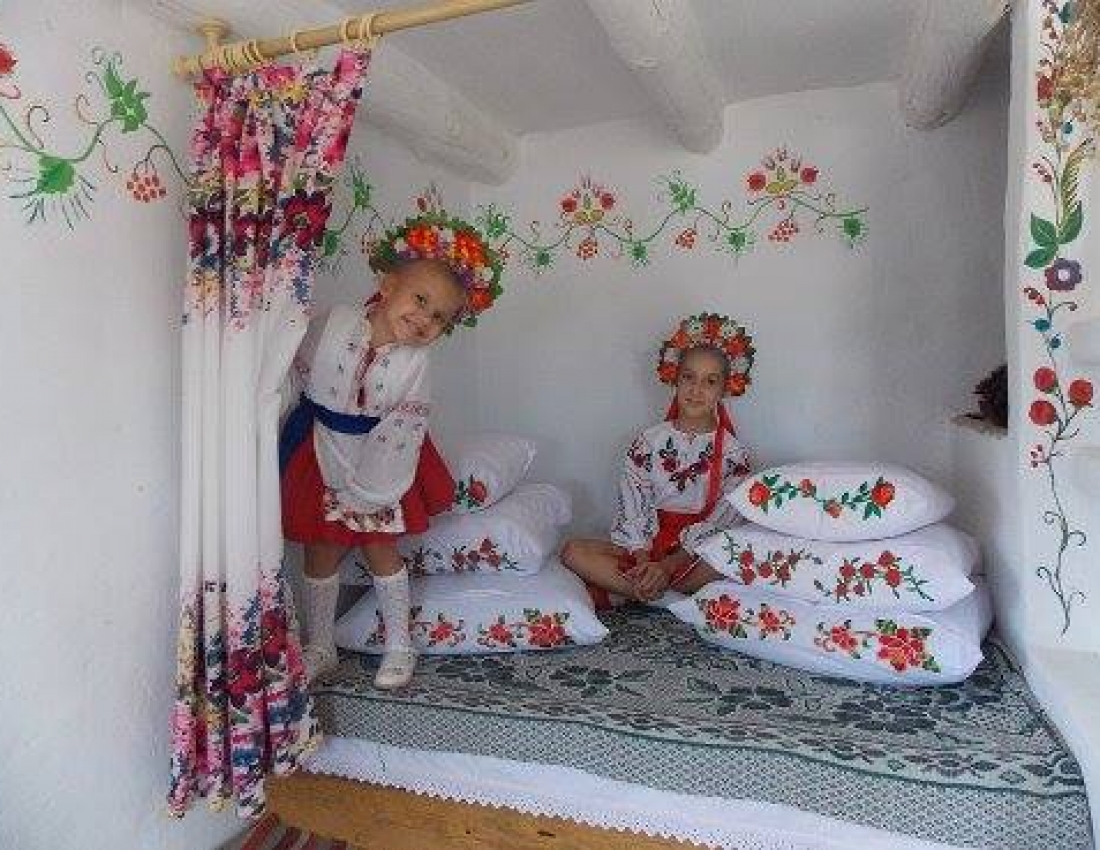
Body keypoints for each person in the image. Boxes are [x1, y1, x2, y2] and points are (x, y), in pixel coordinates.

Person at [280, 213, 503, 688]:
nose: (425, 319)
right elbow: (294, 366)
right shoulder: (335, 323)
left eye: (439, 317)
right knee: (320, 549)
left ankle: (400, 644)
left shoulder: (415, 364)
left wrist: (369, 490)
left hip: (382, 455)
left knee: (379, 545)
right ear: (387, 286)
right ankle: (321, 645)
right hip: (321, 447)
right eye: (420, 300)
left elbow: (403, 426)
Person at [561, 313, 755, 608]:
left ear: (724, 389)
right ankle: (663, 594)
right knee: (572, 551)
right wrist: (644, 560)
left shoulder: (734, 453)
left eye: (710, 381)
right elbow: (633, 504)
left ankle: (637, 591)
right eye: (688, 377)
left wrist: (668, 566)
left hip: (694, 556)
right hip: (647, 547)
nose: (696, 389)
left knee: (740, 556)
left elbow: (723, 520)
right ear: (675, 379)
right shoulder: (648, 442)